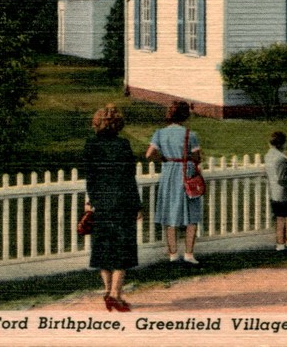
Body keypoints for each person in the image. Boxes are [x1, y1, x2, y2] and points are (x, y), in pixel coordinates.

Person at [83, 104, 142, 313]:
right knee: (121, 248)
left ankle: (108, 291)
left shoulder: (90, 145)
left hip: (101, 203)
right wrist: (137, 205)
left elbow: (90, 177)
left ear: (96, 123)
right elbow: (129, 177)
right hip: (123, 202)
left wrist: (91, 200)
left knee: (103, 248)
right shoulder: (123, 145)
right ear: (118, 124)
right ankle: (116, 294)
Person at [145, 100, 203, 265]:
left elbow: (149, 154)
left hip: (169, 172)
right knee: (191, 214)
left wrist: (163, 158)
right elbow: (197, 157)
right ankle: (189, 254)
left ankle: (172, 254)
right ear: (185, 115)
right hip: (186, 172)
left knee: (170, 213)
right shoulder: (190, 134)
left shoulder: (160, 133)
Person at [264, 131, 287, 251]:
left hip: (274, 193)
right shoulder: (281, 158)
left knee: (279, 219)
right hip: (284, 194)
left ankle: (280, 244)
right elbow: (282, 178)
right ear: (283, 144)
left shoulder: (268, 156)